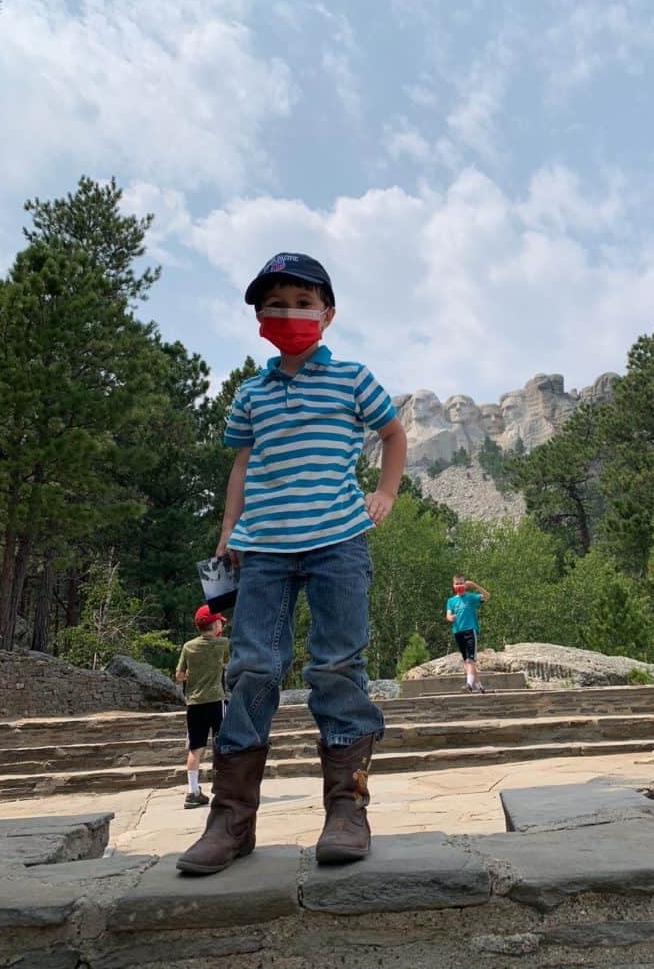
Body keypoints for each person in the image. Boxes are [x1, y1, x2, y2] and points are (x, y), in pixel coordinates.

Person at [177, 252, 407, 875]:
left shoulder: (352, 378)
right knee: (252, 668)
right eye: (276, 303)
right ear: (258, 317)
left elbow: (392, 434)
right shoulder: (250, 392)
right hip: (264, 547)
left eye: (303, 303)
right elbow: (242, 465)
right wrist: (228, 531)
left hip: (338, 540)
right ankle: (230, 821)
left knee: (336, 666)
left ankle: (346, 809)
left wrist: (384, 494)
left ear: (327, 314)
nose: (290, 313)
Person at [176, 606, 230, 809]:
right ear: (216, 624)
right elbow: (226, 662)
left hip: (194, 703)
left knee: (195, 748)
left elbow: (179, 675)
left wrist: (190, 675)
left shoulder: (188, 646)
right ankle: (223, 787)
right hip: (216, 700)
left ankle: (192, 792)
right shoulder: (223, 643)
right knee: (222, 744)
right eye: (220, 623)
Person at [445, 574, 490, 693]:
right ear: (453, 585)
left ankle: (468, 685)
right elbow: (448, 615)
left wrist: (475, 585)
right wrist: (451, 618)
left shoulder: (471, 597)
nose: (459, 586)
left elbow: (487, 596)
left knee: (470, 660)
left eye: (461, 583)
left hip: (470, 630)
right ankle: (479, 686)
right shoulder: (451, 601)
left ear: (465, 584)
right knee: (467, 662)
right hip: (458, 632)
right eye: (457, 583)